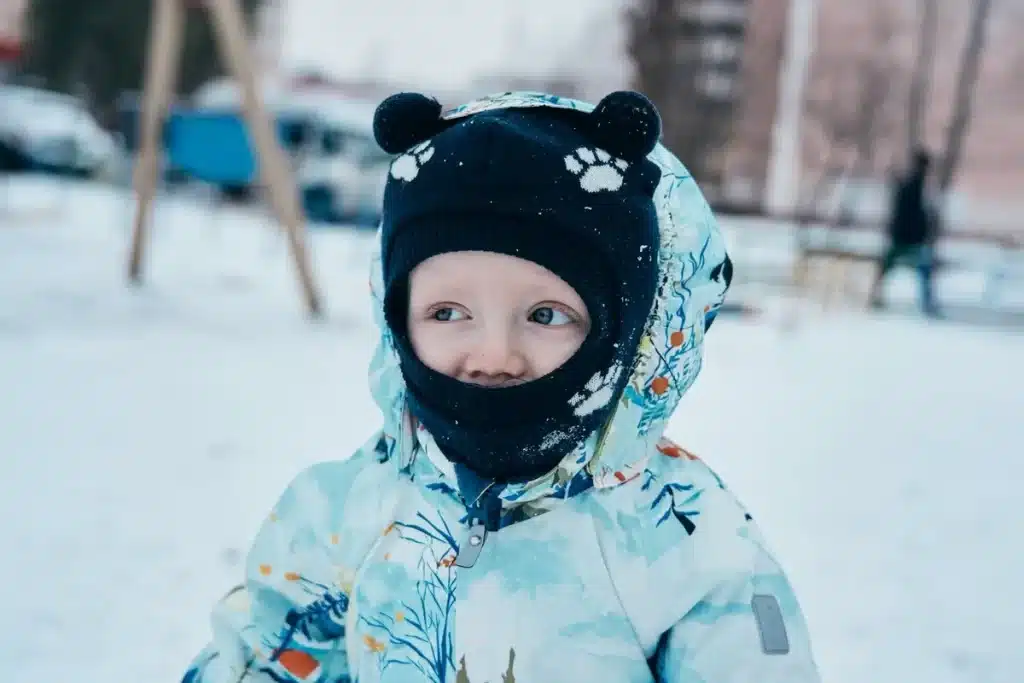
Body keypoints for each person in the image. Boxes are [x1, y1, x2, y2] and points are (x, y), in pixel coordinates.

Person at [182, 90, 821, 683]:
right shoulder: (351, 504)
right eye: (447, 313)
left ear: (626, 332)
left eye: (545, 316)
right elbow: (272, 649)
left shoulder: (686, 535)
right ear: (395, 317)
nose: (493, 355)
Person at [868, 148, 940, 315]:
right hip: (909, 239)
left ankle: (876, 297)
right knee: (922, 272)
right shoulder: (915, 186)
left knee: (891, 269)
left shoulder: (910, 185)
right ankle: (926, 304)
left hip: (903, 238)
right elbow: (913, 214)